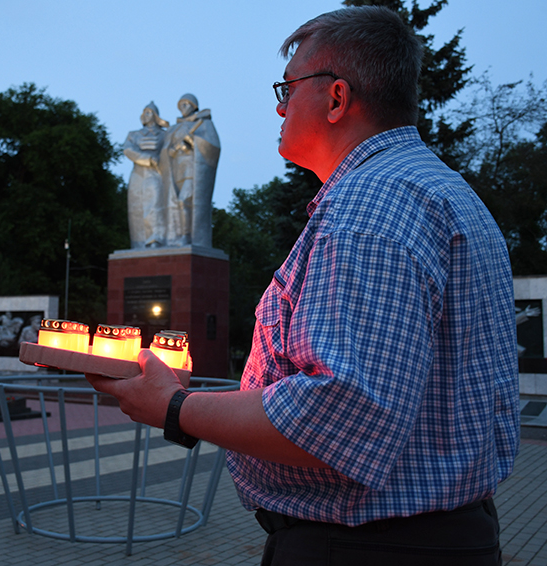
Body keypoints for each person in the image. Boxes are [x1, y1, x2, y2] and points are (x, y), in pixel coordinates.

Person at [86, 6, 519, 565]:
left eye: (288, 87)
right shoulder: (441, 191)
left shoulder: (372, 203)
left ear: (337, 98)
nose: (278, 105)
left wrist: (174, 406)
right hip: (429, 537)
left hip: (366, 549)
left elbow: (337, 412)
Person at [159, 93, 220, 247]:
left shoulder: (203, 123)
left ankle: (186, 237)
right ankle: (177, 236)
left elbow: (213, 145)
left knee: (184, 201)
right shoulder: (175, 128)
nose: (183, 108)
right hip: (176, 170)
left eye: (187, 104)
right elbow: (166, 150)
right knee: (176, 203)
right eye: (181, 105)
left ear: (194, 106)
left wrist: (192, 142)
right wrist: (172, 150)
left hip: (192, 170)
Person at [123, 102, 169, 248]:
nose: (145, 115)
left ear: (156, 116)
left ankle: (155, 239)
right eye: (144, 112)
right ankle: (138, 243)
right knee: (135, 207)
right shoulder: (134, 135)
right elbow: (128, 150)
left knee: (154, 205)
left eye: (149, 112)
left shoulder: (164, 135)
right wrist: (147, 158)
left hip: (155, 173)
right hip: (137, 172)